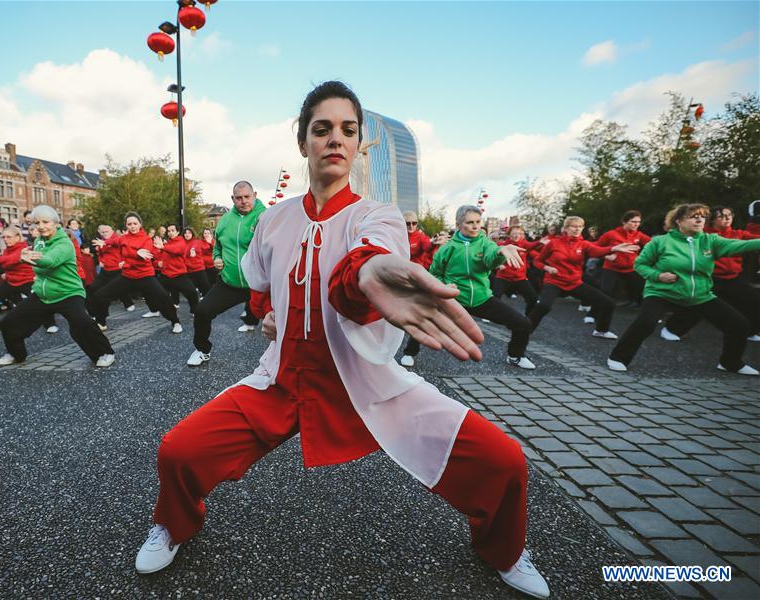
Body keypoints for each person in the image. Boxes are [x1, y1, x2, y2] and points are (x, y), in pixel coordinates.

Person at [137, 81, 549, 599]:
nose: (335, 139)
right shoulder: (275, 219)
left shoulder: (376, 216)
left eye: (347, 130)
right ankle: (173, 525)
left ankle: (505, 549)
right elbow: (259, 283)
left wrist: (369, 276)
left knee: (506, 461)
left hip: (367, 380)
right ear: (302, 141)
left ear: (357, 146)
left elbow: (366, 264)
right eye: (322, 128)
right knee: (178, 450)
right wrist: (273, 318)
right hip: (283, 379)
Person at [608, 203, 760, 375]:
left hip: (698, 295)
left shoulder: (710, 241)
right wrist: (658, 276)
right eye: (693, 216)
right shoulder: (660, 242)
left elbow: (743, 245)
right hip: (661, 292)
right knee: (646, 323)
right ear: (679, 221)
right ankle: (618, 357)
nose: (699, 219)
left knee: (739, 324)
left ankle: (730, 363)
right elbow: (640, 265)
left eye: (702, 216)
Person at [399, 206, 535, 370]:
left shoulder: (485, 243)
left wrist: (500, 251)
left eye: (478, 222)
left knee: (523, 324)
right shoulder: (447, 249)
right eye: (470, 222)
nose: (476, 226)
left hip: (481, 298)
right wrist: (443, 286)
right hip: (453, 298)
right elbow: (435, 273)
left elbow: (491, 258)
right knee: (425, 321)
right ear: (458, 224)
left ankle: (515, 356)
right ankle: (409, 353)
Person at [0, 205, 115, 367]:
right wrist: (24, 257)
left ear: (56, 223)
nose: (41, 226)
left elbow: (50, 261)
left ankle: (105, 353)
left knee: (82, 323)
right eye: (37, 223)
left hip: (68, 292)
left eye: (46, 222)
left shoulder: (65, 243)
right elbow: (36, 265)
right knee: (10, 322)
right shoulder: (38, 241)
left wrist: (27, 258)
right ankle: (16, 354)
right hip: (43, 294)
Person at [185, 181, 266, 366]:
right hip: (231, 283)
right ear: (232, 199)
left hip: (261, 283)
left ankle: (287, 357)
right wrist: (217, 258)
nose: (243, 201)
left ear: (255, 195)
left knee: (284, 319)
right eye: (239, 198)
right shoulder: (225, 221)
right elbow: (218, 248)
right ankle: (202, 349)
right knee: (202, 311)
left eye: (247, 197)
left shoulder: (265, 216)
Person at [660, 205, 760, 343]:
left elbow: (756, 239)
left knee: (754, 301)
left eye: (729, 215)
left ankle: (751, 332)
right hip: (709, 278)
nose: (727, 218)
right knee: (697, 306)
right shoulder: (703, 235)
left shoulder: (739, 234)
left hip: (732, 278)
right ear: (712, 220)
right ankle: (671, 329)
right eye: (722, 216)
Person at [528, 216, 638, 339]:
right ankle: (525, 330)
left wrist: (613, 248)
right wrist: (547, 268)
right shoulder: (554, 243)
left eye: (580, 226)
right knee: (544, 306)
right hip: (554, 281)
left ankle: (601, 330)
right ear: (565, 228)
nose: (577, 229)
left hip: (574, 282)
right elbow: (537, 261)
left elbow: (597, 251)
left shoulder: (583, 244)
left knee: (609, 303)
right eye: (574, 226)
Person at [89, 212, 180, 333]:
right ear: (126, 225)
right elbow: (115, 242)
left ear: (140, 224)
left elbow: (146, 257)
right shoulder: (123, 238)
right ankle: (101, 322)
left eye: (135, 223)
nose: (132, 226)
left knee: (163, 297)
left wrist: (133, 257)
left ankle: (175, 322)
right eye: (129, 224)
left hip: (145, 276)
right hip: (128, 277)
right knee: (100, 295)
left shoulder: (146, 239)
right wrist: (105, 243)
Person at [0, 225, 58, 335]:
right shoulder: (6, 250)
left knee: (41, 300)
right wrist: (5, 272)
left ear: (17, 237)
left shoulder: (24, 248)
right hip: (12, 281)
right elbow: (7, 263)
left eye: (9, 237)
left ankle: (50, 324)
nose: (6, 240)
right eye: (4, 237)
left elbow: (11, 259)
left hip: (27, 281)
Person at [585, 211, 651, 323]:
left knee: (643, 290)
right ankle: (592, 314)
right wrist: (605, 256)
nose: (636, 224)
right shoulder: (611, 234)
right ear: (624, 222)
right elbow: (593, 248)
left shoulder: (638, 235)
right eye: (633, 221)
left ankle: (650, 316)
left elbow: (655, 244)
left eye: (638, 222)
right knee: (605, 291)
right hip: (611, 268)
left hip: (631, 269)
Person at [492, 225, 543, 315]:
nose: (517, 236)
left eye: (519, 233)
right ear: (509, 235)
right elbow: (492, 256)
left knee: (533, 299)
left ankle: (528, 317)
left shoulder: (524, 244)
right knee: (495, 297)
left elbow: (532, 245)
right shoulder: (503, 245)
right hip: (503, 277)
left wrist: (541, 242)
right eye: (514, 233)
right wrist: (498, 265)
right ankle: (491, 315)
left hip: (520, 278)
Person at [87, 224, 134, 315]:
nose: (104, 234)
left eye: (106, 232)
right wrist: (101, 260)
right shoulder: (101, 241)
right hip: (105, 270)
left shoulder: (117, 238)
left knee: (120, 289)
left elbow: (119, 245)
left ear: (112, 231)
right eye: (102, 232)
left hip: (117, 269)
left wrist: (123, 261)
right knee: (93, 287)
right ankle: (93, 311)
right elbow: (100, 253)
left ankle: (128, 304)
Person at [155, 224, 200, 316]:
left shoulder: (181, 241)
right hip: (166, 275)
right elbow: (159, 256)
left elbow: (176, 250)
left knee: (192, 293)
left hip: (179, 275)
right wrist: (158, 262)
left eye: (172, 230)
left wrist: (163, 247)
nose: (170, 233)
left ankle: (194, 311)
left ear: (178, 232)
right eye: (169, 231)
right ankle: (155, 310)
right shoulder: (167, 243)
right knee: (154, 290)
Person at [183, 227, 211, 295]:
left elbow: (194, 246)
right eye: (185, 233)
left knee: (205, 287)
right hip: (189, 270)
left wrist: (192, 250)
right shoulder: (182, 243)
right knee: (190, 290)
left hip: (199, 269)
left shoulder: (197, 241)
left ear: (192, 234)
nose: (187, 234)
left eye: (189, 233)